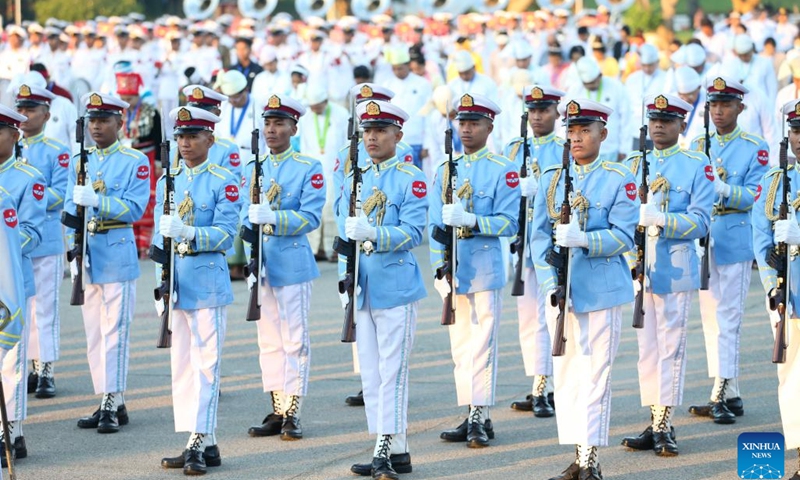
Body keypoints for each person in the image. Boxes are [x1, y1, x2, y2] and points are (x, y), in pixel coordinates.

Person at [531, 99, 638, 480]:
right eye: (571, 132)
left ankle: (590, 458)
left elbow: (625, 236)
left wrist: (585, 240)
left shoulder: (618, 177)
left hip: (602, 290)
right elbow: (537, 237)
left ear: (602, 134)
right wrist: (548, 282)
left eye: (584, 132)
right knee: (567, 376)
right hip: (561, 290)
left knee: (595, 375)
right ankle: (578, 453)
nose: (576, 139)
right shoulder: (554, 177)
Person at [337, 99, 428, 480]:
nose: (371, 137)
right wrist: (346, 279)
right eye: (367, 131)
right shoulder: (353, 178)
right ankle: (395, 448)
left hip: (395, 285)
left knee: (393, 372)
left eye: (379, 131)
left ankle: (384, 447)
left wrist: (376, 233)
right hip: (362, 287)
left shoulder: (411, 178)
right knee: (371, 374)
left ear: (397, 135)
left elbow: (414, 232)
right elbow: (344, 235)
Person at [620, 93, 714, 457]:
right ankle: (654, 415)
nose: (658, 126)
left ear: (681, 125)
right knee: (647, 350)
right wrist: (631, 260)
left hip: (675, 267)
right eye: (654, 120)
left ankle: (664, 423)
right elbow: (622, 219)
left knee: (671, 348)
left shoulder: (695, 163)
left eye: (667, 120)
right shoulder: (633, 163)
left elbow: (702, 221)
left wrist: (663, 220)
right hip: (641, 269)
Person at [430, 93, 520, 449]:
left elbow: (510, 222)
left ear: (489, 126)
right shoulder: (445, 169)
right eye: (461, 123)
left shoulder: (502, 169)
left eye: (473, 123)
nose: (465, 129)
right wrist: (440, 266)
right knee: (460, 347)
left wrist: (472, 220)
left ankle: (479, 415)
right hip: (455, 267)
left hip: (483, 266)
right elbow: (436, 226)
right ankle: (470, 410)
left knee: (482, 346)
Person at [155, 106, 241, 475]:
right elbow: (161, 238)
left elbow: (226, 233)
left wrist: (190, 234)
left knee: (206, 366)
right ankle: (205, 441)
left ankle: (197, 439)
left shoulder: (225, 180)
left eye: (193, 136)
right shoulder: (167, 180)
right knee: (183, 368)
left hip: (207, 280)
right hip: (177, 281)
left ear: (210, 139)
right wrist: (160, 281)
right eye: (180, 137)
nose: (185, 143)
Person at [241, 94, 325, 441]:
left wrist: (274, 217)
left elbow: (310, 217)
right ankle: (276, 407)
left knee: (294, 340)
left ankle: (293, 411)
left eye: (279, 123)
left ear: (294, 127)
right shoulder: (252, 167)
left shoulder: (308, 167)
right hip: (262, 263)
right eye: (268, 123)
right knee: (269, 340)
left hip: (291, 261)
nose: (272, 130)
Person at [65, 93, 149, 434]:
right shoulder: (78, 160)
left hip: (116, 251)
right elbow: (72, 214)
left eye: (104, 120)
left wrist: (99, 201)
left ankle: (111, 401)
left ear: (120, 123)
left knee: (115, 331)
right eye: (92, 121)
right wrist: (73, 252)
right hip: (88, 253)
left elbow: (134, 209)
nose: (97, 126)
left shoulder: (134, 161)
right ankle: (108, 397)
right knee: (94, 334)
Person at [688, 76, 770, 424]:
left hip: (735, 238)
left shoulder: (755, 147)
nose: (718, 111)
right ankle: (727, 391)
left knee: (729, 319)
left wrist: (725, 190)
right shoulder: (698, 142)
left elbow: (758, 195)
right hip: (705, 240)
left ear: (741, 107)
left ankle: (722, 390)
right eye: (714, 105)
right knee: (711, 320)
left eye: (726, 104)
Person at [503, 85, 567, 418]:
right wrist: (517, 188)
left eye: (544, 110)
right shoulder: (513, 149)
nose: (538, 116)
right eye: (533, 111)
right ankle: (538, 382)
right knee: (528, 319)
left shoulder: (563, 148)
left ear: (557, 113)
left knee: (553, 315)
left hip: (550, 242)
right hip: (520, 242)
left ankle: (552, 384)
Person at [752, 98, 800, 480]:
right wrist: (772, 287)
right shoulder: (775, 181)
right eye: (796, 131)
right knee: (791, 376)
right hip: (789, 294)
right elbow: (759, 234)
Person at [14, 83, 70, 399]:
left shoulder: (56, 151)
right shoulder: (7, 146)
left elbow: (60, 195)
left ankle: (45, 368)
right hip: (11, 240)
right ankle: (19, 368)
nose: (24, 115)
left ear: (46, 115)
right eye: (20, 109)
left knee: (44, 308)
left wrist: (27, 198)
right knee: (15, 306)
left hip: (45, 238)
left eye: (31, 110)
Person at [0, 104, 45, 465]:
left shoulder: (28, 177)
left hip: (10, 279)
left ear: (16, 135)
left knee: (11, 356)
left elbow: (31, 233)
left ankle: (11, 428)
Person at [117, 71, 162, 258]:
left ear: (137, 95)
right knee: (127, 194)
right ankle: (133, 243)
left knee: (147, 197)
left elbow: (159, 137)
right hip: (126, 158)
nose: (127, 101)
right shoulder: (118, 112)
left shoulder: (151, 112)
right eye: (123, 98)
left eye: (130, 98)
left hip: (147, 156)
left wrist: (159, 160)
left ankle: (144, 245)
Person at [182, 85, 243, 177]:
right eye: (193, 112)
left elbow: (232, 184)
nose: (197, 117)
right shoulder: (178, 148)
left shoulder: (227, 149)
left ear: (217, 113)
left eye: (203, 113)